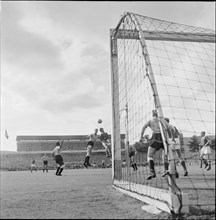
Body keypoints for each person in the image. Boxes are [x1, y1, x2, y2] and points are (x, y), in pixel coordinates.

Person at [139, 109, 173, 180]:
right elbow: (172, 128)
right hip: (163, 138)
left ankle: (152, 172)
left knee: (149, 156)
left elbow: (143, 127)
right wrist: (171, 137)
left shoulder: (150, 121)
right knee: (166, 155)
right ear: (158, 114)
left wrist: (141, 137)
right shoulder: (162, 120)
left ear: (152, 114)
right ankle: (166, 169)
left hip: (155, 138)